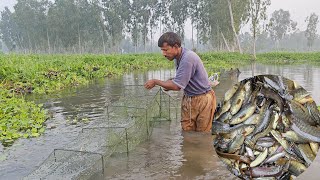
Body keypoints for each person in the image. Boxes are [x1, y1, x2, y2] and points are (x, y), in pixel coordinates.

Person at [144, 32, 216, 132]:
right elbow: (181, 79)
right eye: (162, 50)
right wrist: (169, 84)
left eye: (165, 50)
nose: (163, 54)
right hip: (189, 98)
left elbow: (177, 86)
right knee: (187, 131)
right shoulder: (178, 58)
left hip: (202, 99)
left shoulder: (187, 58)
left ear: (176, 46)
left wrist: (156, 81)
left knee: (202, 133)